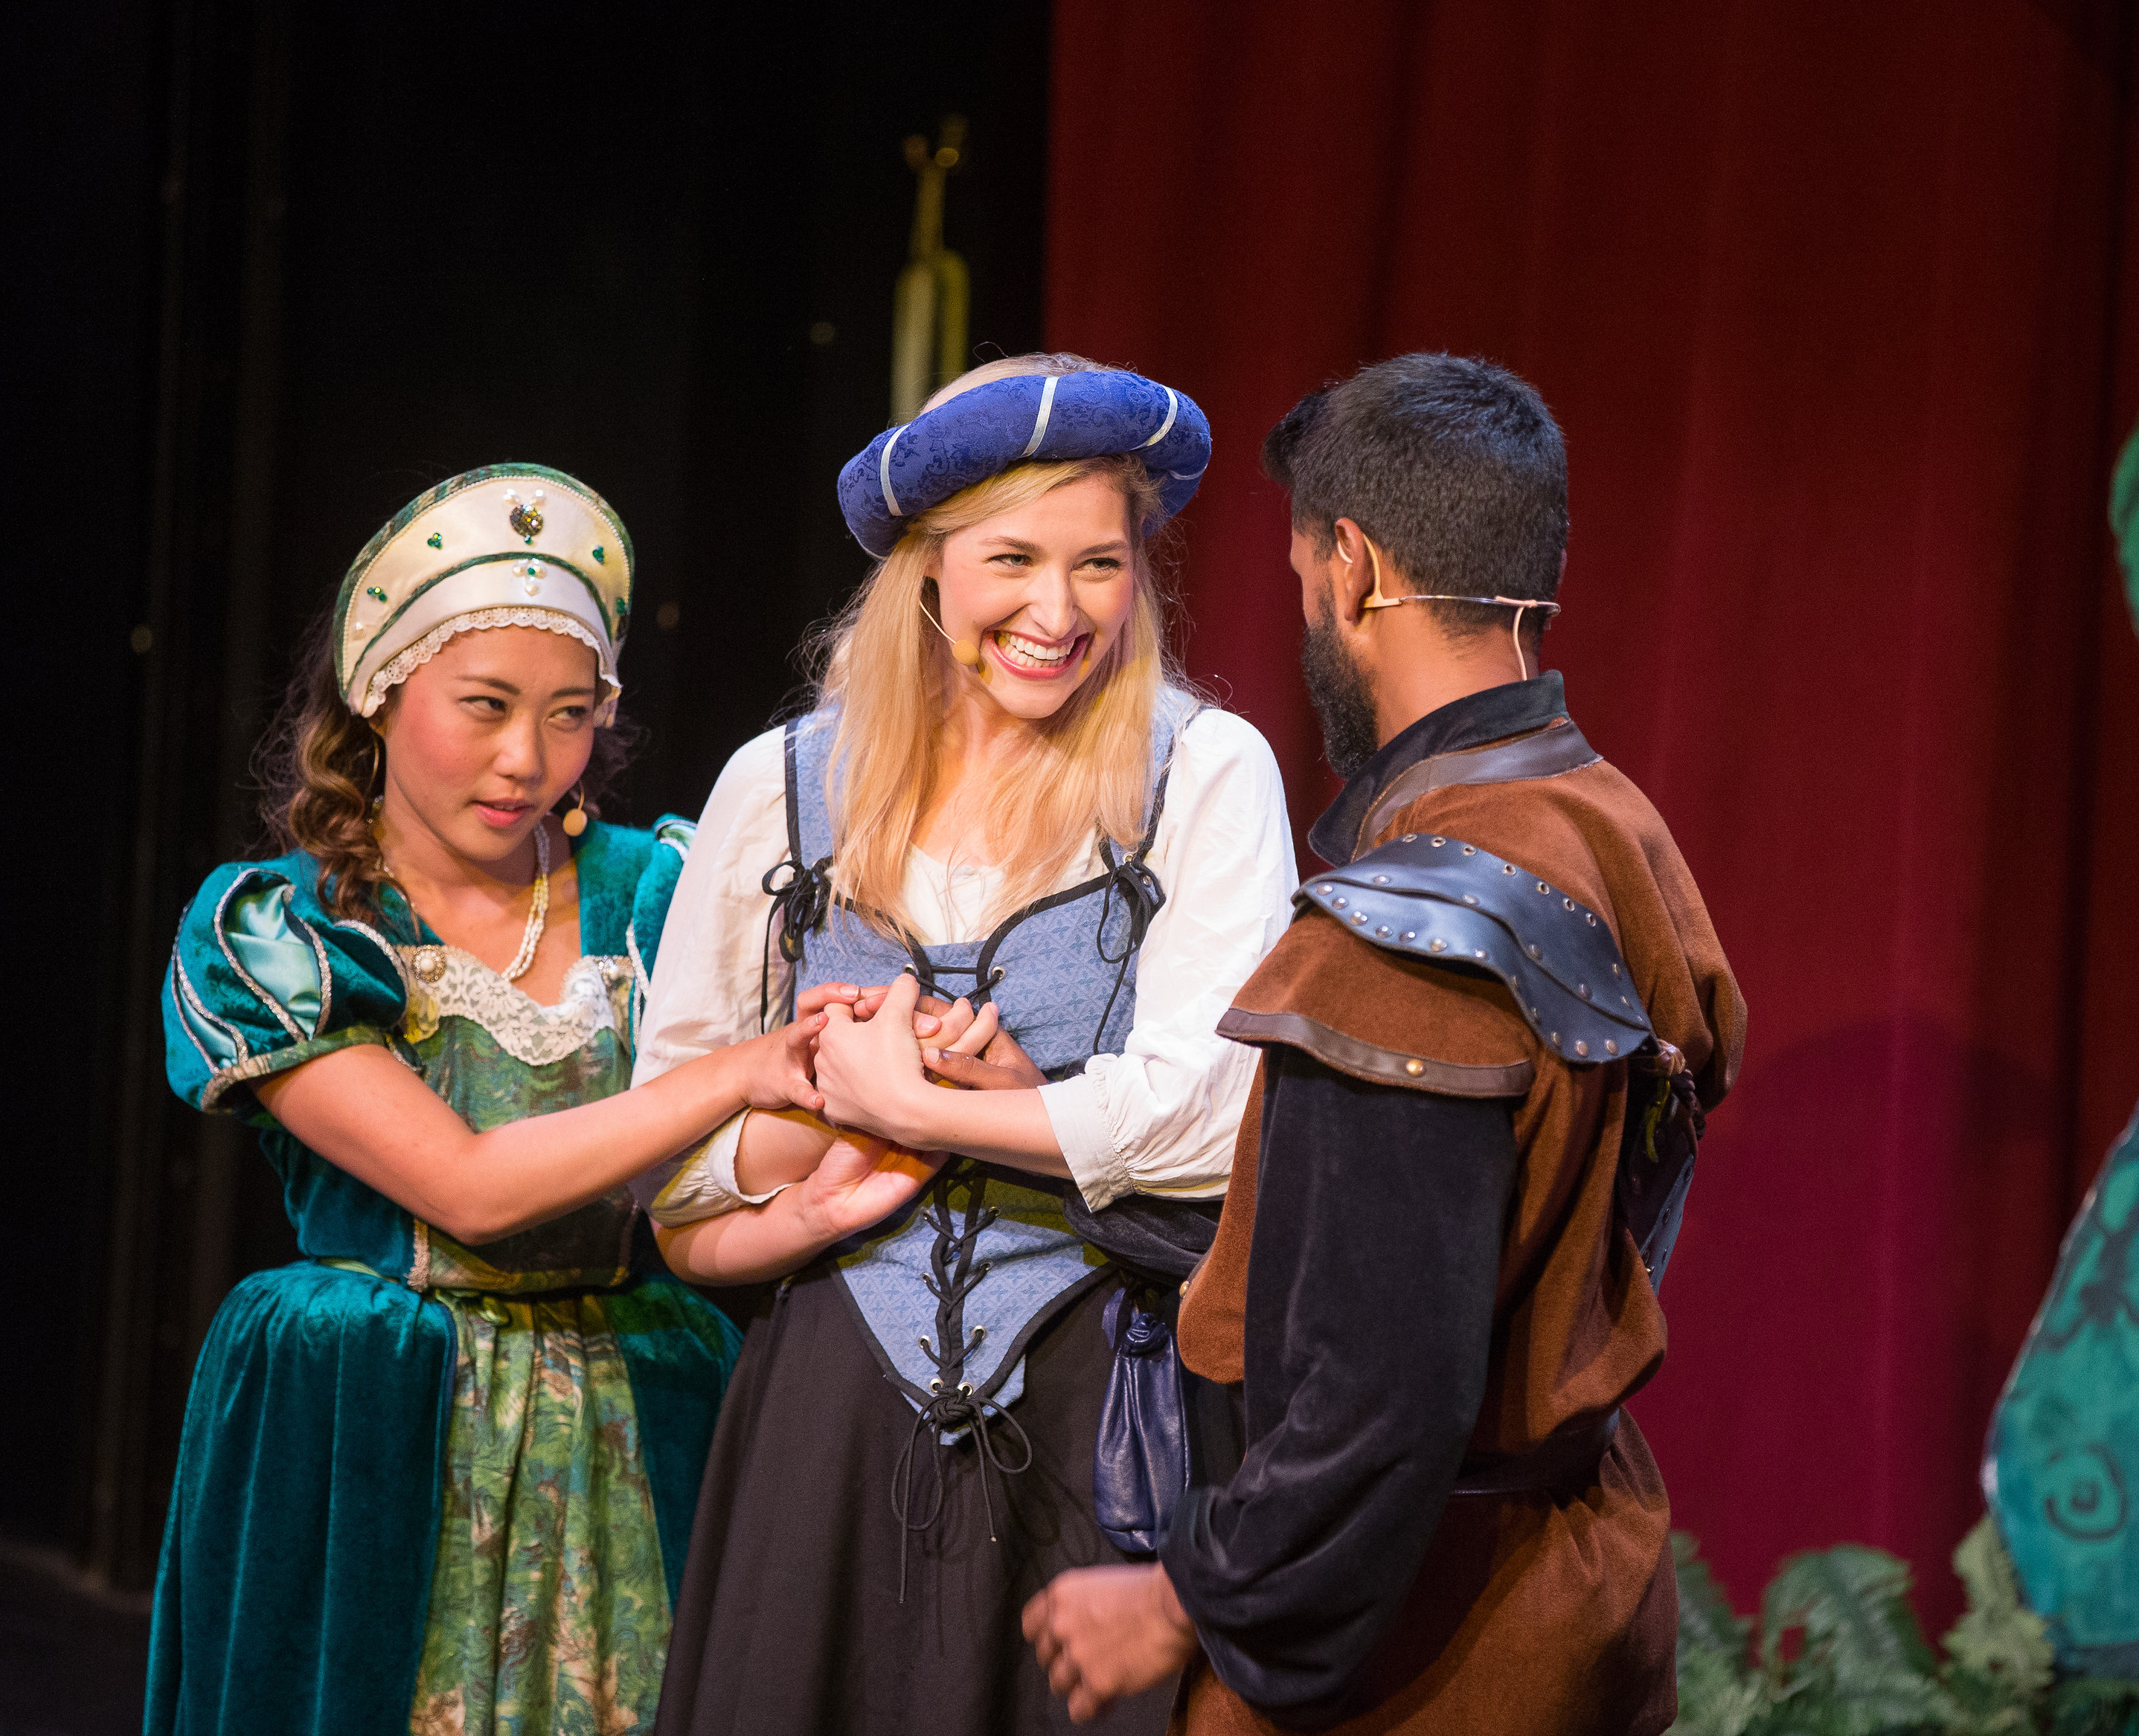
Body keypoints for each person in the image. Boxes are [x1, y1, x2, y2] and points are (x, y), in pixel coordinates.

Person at [1023, 355, 1749, 1735]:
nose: (1308, 602)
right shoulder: (1615, 828)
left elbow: (1381, 1391)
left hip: (1438, 1647)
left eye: (1305, 573)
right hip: (1583, 1586)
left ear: (1352, 569)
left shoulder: (1401, 939)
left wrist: (1187, 1597)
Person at [634, 353, 1295, 1736]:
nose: (1059, 611)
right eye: (1013, 559)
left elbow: (1220, 1114)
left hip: (1090, 1422)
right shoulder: (784, 787)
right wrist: (837, 1110)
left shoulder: (1203, 772)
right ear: (928, 565)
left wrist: (944, 1108)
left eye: (1100, 563)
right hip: (829, 1412)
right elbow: (669, 1149)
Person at [149, 465, 838, 1736]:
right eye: (485, 705)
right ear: (379, 689)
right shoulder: (293, 931)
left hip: (633, 1408)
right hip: (373, 1419)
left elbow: (751, 1150)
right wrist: (734, 1071)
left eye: (570, 713)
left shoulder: (659, 893)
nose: (528, 757)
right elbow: (465, 1187)